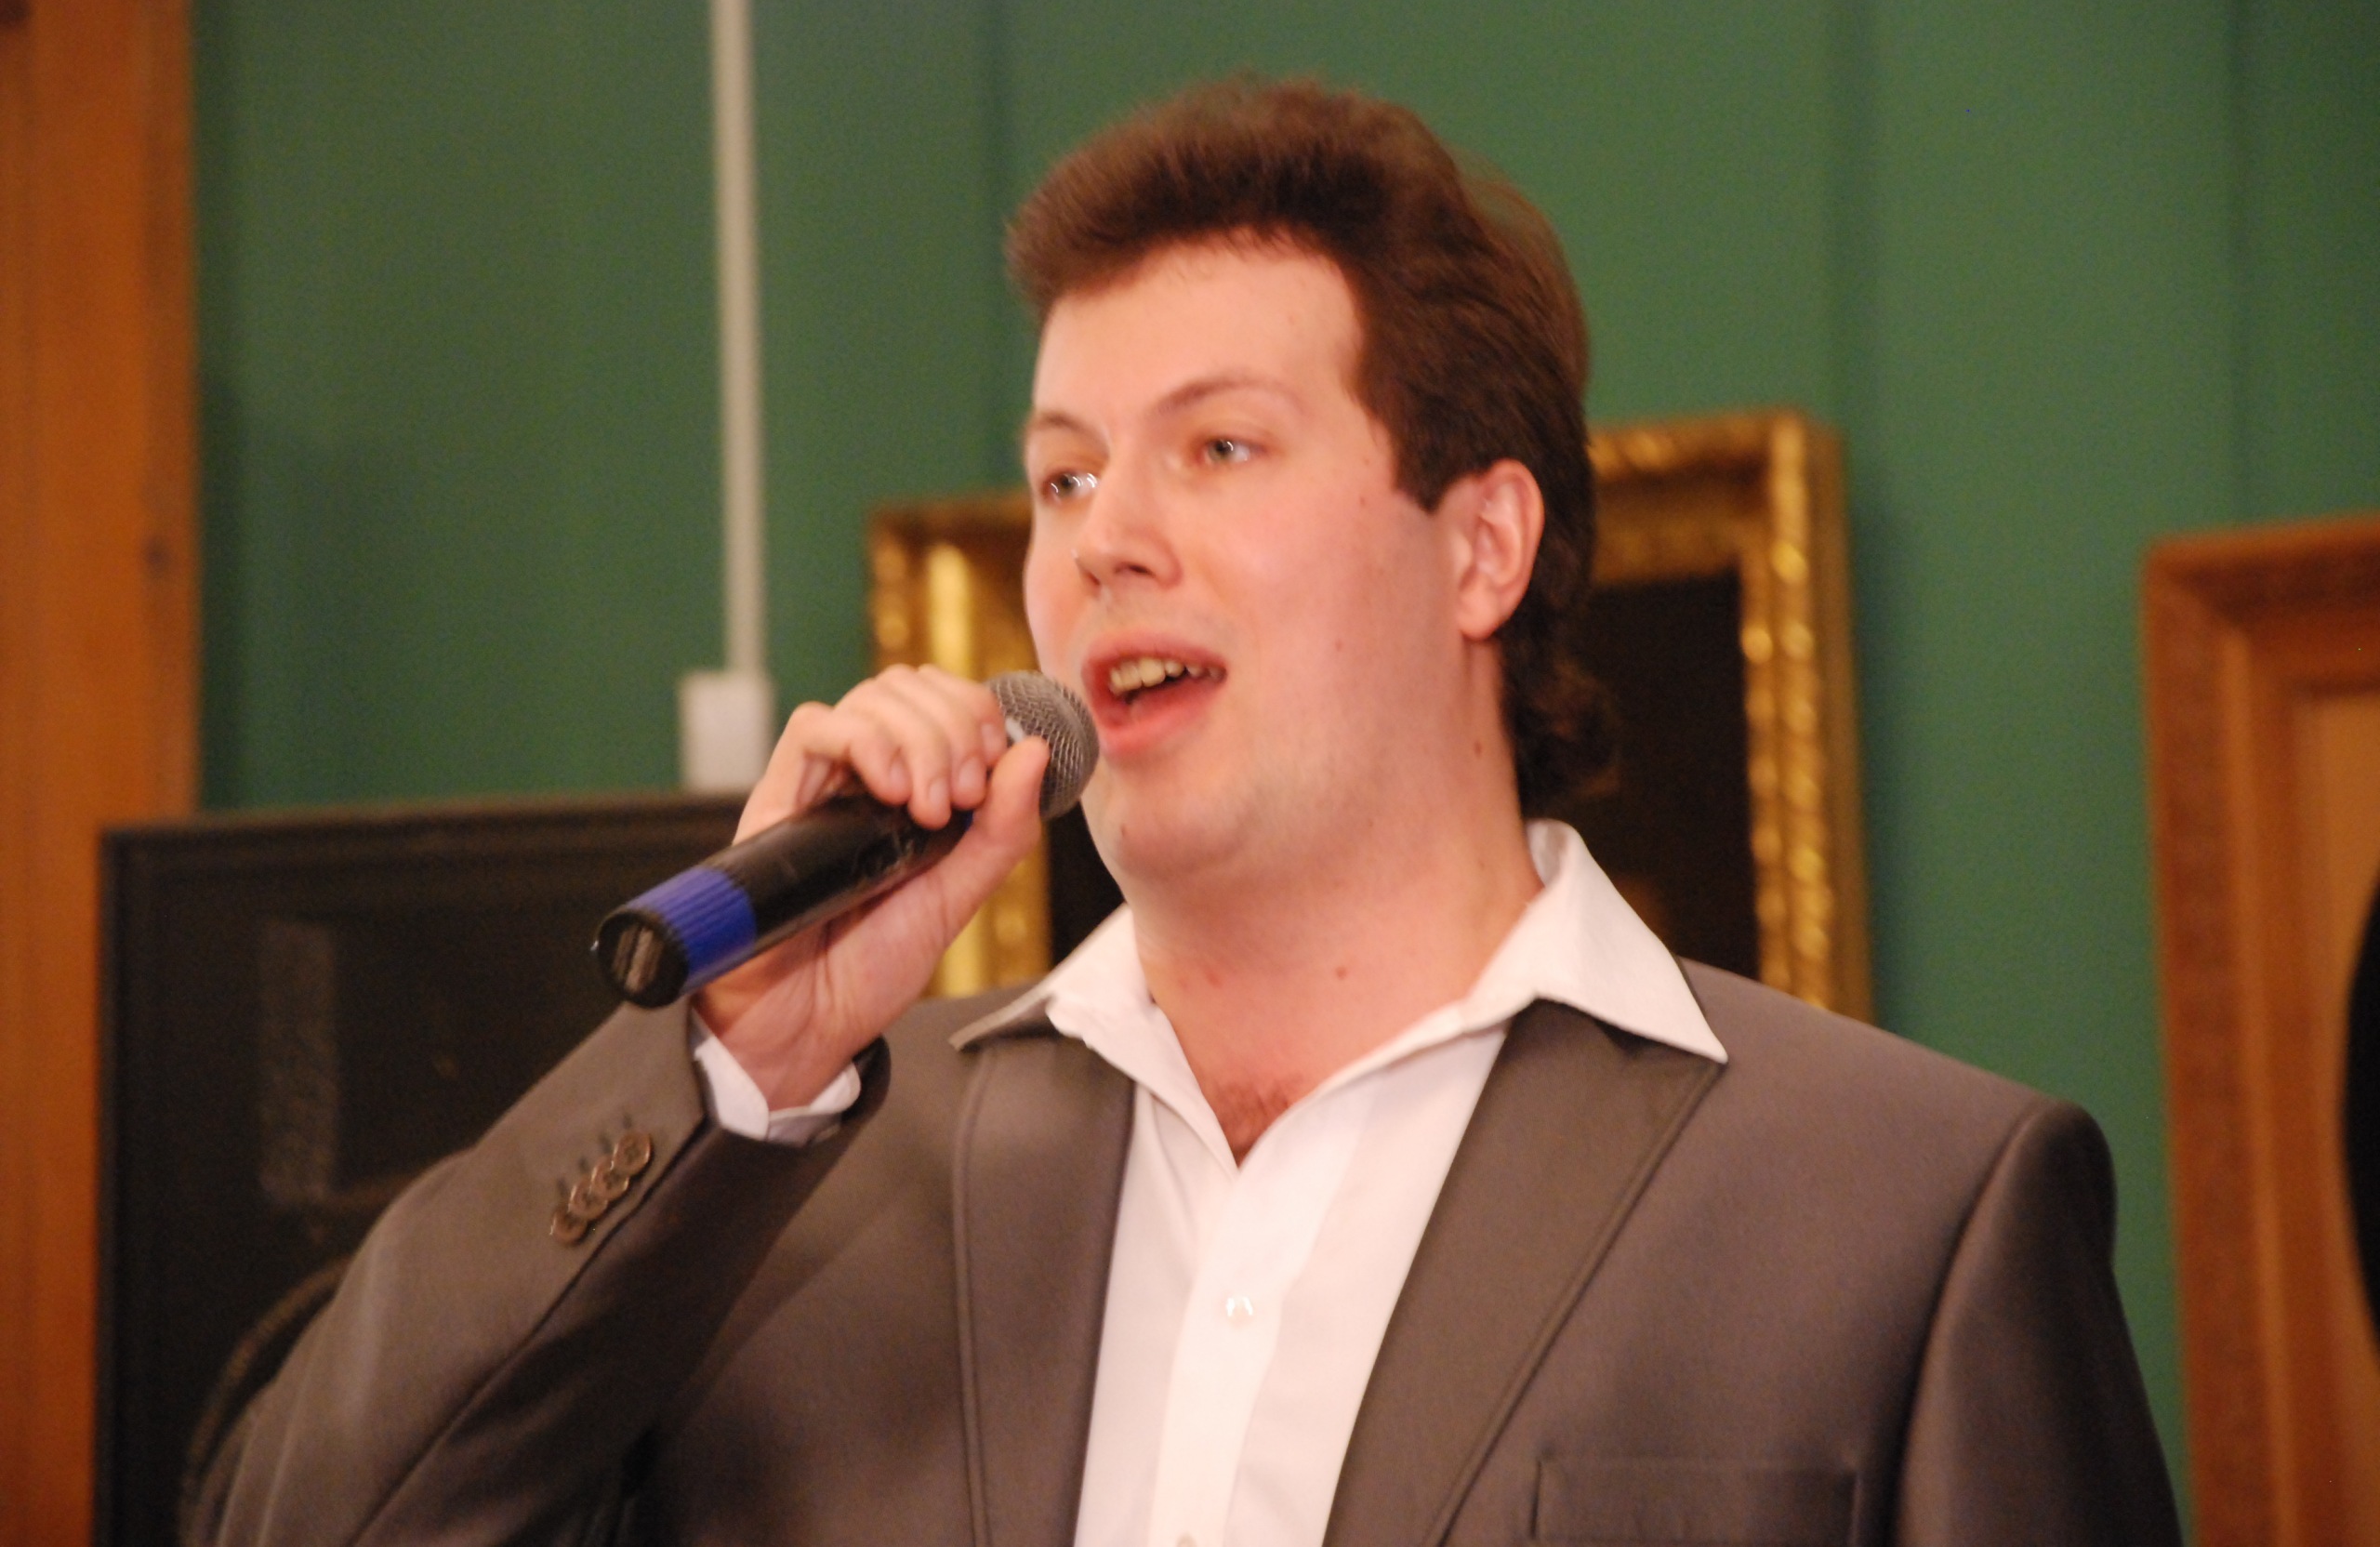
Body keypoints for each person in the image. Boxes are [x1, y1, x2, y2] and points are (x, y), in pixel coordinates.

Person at [203, 80, 2180, 1547]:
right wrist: (726, 1075)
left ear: (1480, 543)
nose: (1105, 541)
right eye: (1063, 477)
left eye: (1218, 447)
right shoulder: (801, 1183)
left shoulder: (1900, 1211)